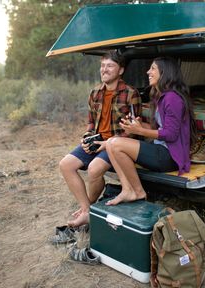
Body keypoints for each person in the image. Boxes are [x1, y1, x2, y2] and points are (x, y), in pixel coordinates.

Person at [59, 51, 142, 227]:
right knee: (65, 165)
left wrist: (107, 144)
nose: (104, 69)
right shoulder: (95, 92)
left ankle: (87, 211)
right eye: (102, 66)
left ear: (121, 70)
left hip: (117, 145)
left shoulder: (130, 93)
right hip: (97, 141)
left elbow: (135, 130)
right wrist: (87, 138)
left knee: (94, 169)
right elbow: (91, 123)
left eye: (110, 65)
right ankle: (87, 209)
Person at [106, 57, 196, 206]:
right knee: (110, 143)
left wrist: (139, 131)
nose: (148, 72)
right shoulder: (161, 97)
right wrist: (139, 125)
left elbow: (171, 134)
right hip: (161, 149)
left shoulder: (172, 98)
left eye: (153, 68)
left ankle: (138, 192)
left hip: (170, 156)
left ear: (164, 72)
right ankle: (127, 189)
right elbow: (160, 129)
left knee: (116, 144)